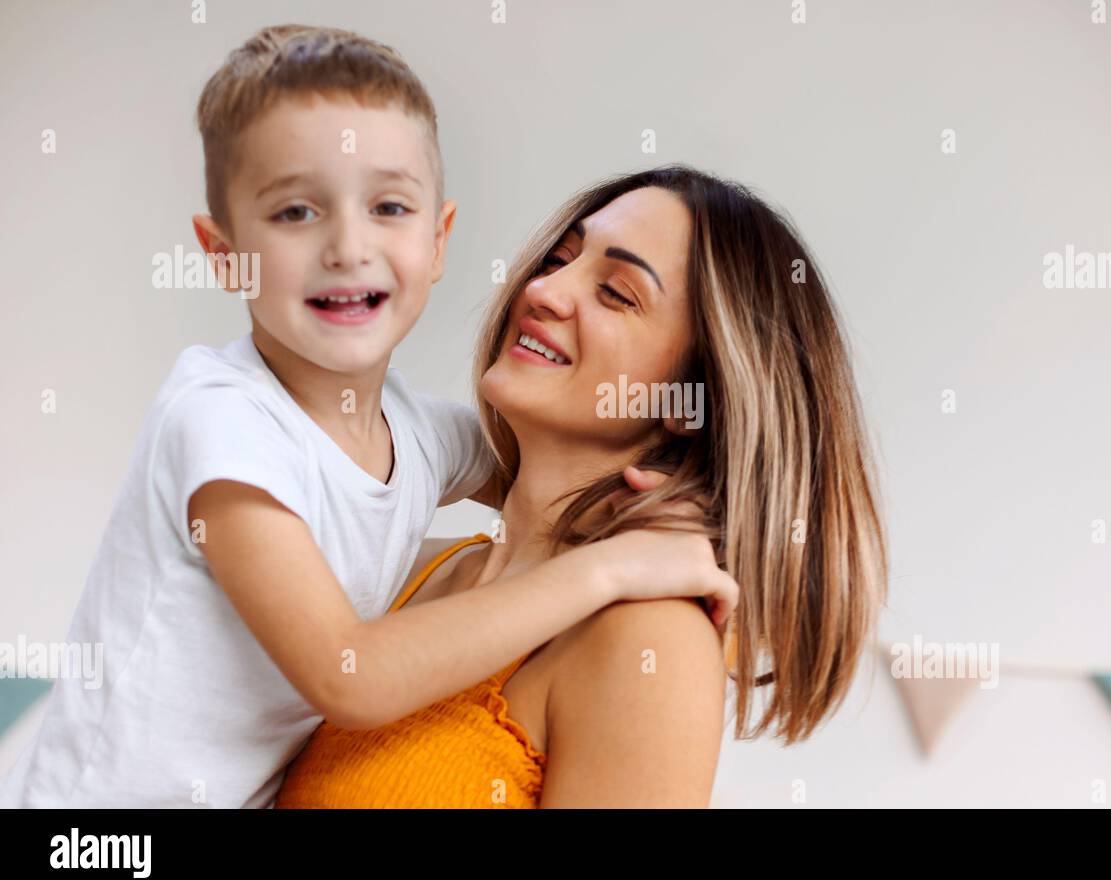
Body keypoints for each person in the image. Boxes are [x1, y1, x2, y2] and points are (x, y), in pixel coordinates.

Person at [0, 27, 735, 810]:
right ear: (221, 253)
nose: (347, 247)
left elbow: (523, 482)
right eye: (294, 212)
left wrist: (695, 542)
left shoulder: (419, 437)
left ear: (438, 238)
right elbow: (351, 672)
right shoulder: (218, 418)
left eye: (388, 206)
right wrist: (613, 566)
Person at [274, 165, 890, 808]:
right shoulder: (415, 567)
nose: (543, 290)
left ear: (690, 400)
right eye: (560, 258)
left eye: (617, 293)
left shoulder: (649, 638)